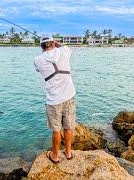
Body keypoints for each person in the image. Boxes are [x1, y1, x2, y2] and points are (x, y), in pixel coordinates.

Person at [34, 35, 77, 164]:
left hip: (53, 101)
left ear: (41, 46)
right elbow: (64, 47)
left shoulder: (38, 60)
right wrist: (56, 44)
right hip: (69, 96)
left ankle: (55, 155)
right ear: (53, 43)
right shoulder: (63, 51)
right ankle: (68, 152)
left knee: (56, 129)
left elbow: (37, 69)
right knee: (68, 127)